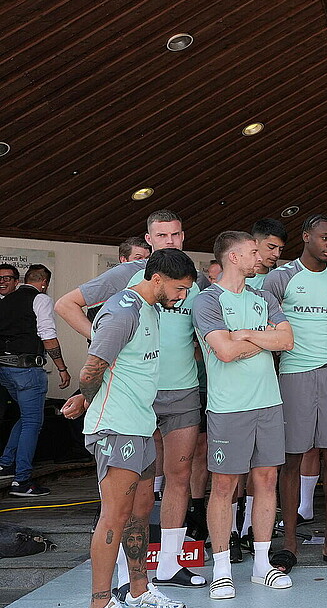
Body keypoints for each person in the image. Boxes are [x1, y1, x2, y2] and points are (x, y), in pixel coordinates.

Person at [55, 210, 211, 588]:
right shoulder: (128, 283)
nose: (169, 240)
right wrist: (104, 343)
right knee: (133, 495)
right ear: (148, 238)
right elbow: (65, 305)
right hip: (131, 400)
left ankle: (169, 566)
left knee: (178, 478)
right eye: (161, 235)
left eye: (175, 234)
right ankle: (125, 580)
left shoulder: (193, 280)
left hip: (181, 391)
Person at [193, 232, 295, 599]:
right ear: (234, 257)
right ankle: (221, 568)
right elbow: (223, 351)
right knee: (224, 486)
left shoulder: (264, 296)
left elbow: (287, 341)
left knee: (266, 480)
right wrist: (261, 337)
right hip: (228, 408)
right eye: (254, 252)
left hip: (268, 402)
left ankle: (261, 565)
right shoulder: (207, 301)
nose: (261, 258)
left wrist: (246, 334)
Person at [262, 215, 327, 572]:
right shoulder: (280, 278)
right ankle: (288, 543)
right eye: (323, 237)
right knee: (291, 460)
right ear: (305, 238)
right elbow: (266, 328)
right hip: (293, 375)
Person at [0, 264, 70, 494]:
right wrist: (61, 368)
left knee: (27, 415)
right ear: (44, 283)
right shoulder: (40, 299)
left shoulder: (5, 300)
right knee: (33, 422)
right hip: (28, 370)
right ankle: (22, 481)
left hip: (6, 370)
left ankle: (5, 463)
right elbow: (48, 335)